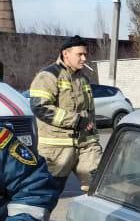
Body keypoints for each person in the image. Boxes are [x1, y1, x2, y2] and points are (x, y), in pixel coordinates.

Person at [27, 36, 102, 196]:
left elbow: (88, 112)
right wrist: (76, 121)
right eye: (80, 54)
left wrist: (92, 135)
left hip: (86, 146)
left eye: (85, 54)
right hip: (57, 150)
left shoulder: (82, 78)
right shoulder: (48, 76)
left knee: (99, 188)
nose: (84, 58)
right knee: (46, 196)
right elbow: (40, 107)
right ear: (65, 54)